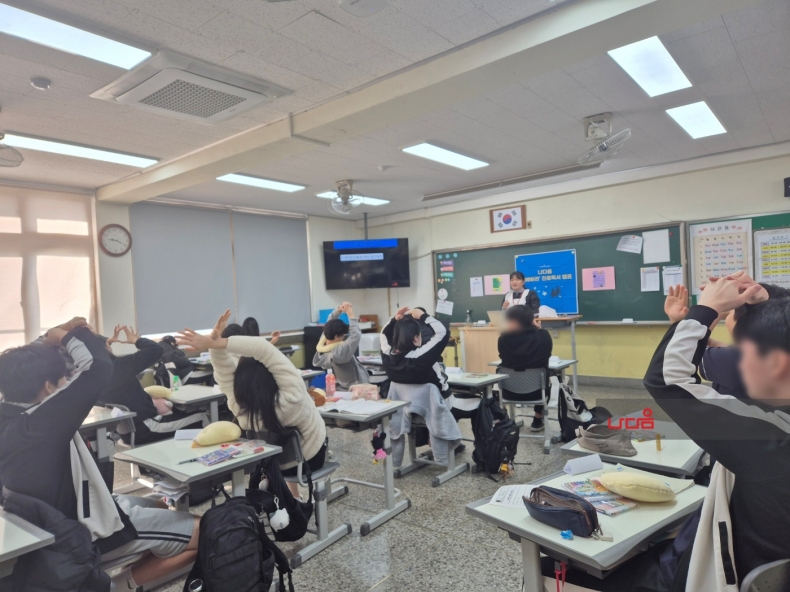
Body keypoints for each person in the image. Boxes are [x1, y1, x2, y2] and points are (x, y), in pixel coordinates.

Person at [0, 318, 199, 591]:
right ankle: (117, 586)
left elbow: (20, 365)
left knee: (160, 505)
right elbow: (97, 367)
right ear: (48, 387)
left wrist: (50, 336)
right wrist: (68, 334)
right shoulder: (42, 423)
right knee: (205, 530)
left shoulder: (11, 415)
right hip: (84, 532)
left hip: (53, 518)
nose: (68, 382)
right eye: (63, 379)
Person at [178, 310, 326, 497]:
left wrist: (214, 346)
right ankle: (295, 493)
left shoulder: (241, 408)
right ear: (272, 377)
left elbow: (224, 374)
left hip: (271, 465)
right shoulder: (292, 397)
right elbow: (266, 351)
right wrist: (217, 343)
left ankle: (291, 493)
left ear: (239, 383)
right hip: (309, 461)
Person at [100, 325, 206, 446]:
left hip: (127, 432)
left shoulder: (94, 376)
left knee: (179, 415)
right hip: (148, 427)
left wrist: (105, 342)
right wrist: (137, 340)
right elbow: (156, 349)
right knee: (202, 415)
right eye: (108, 344)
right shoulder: (119, 367)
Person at [497, 305, 553, 432]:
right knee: (546, 377)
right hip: (537, 392)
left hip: (509, 392)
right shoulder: (544, 336)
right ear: (531, 321)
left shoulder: (503, 339)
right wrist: (538, 330)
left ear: (513, 321)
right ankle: (537, 419)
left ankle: (507, 420)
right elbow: (546, 354)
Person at [380, 306, 451, 398]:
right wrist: (423, 315)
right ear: (416, 338)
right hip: (437, 402)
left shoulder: (387, 355)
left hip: (404, 404)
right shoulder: (419, 357)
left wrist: (395, 319)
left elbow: (384, 334)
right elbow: (443, 332)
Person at [312, 302, 369, 390]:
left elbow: (329, 323)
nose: (343, 337)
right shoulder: (339, 351)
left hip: (340, 385)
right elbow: (356, 335)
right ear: (336, 336)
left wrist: (338, 310)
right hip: (355, 386)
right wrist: (350, 313)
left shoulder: (323, 345)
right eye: (342, 335)